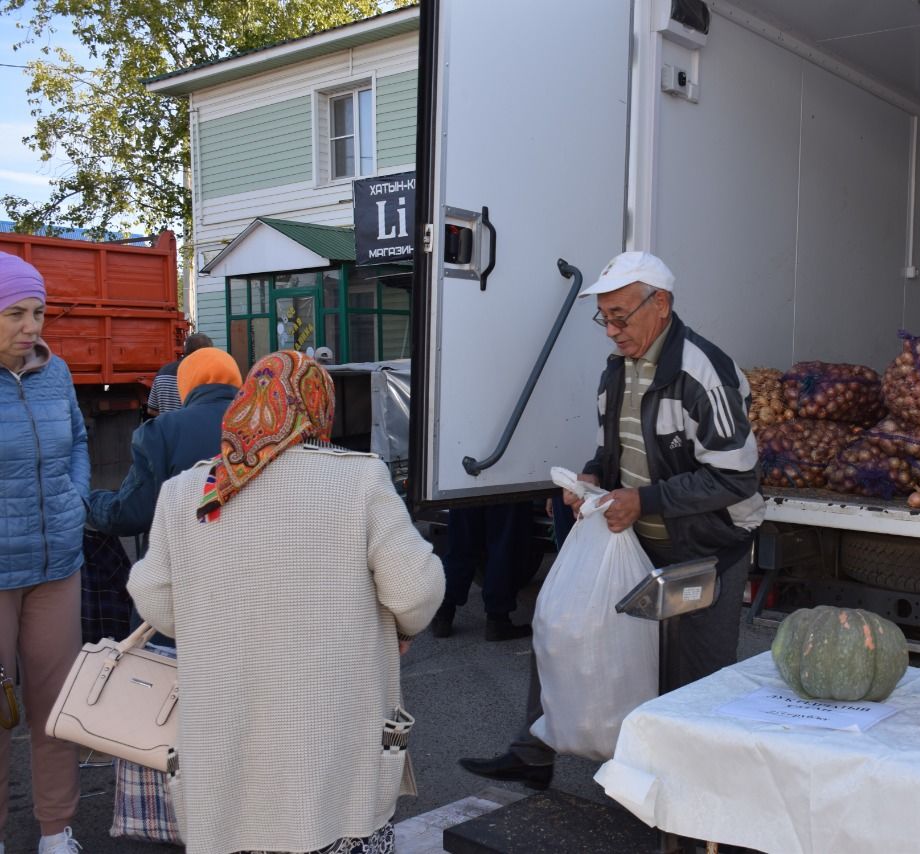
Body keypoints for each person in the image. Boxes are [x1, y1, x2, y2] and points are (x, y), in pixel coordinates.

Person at [459, 250, 764, 789]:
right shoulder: (616, 372)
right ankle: (534, 752)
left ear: (661, 305)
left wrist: (642, 501)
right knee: (563, 627)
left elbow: (737, 479)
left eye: (621, 316)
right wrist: (593, 480)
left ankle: (698, 806)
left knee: (697, 680)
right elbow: (613, 453)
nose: (611, 330)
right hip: (643, 540)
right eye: (604, 317)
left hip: (707, 547)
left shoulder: (703, 372)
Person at [128, 350, 444, 854]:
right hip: (335, 756)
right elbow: (416, 589)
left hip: (224, 763)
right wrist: (399, 630)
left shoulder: (187, 491)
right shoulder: (356, 480)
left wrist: (215, 621)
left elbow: (153, 597)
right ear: (320, 408)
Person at [0, 253, 88, 854]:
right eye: (15, 314)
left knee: (57, 709)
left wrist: (76, 498)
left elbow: (79, 441)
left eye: (37, 313)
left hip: (58, 565)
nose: (32, 327)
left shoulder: (56, 374)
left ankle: (57, 831)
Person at [88, 347, 242, 538]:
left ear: (186, 383)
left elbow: (131, 514)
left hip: (184, 559)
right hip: (250, 555)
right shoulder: (264, 424)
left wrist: (90, 503)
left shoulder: (161, 431)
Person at [430, 502, 536, 641]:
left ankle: (443, 615)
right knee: (504, 543)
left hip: (464, 484)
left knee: (460, 543)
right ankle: (498, 619)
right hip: (505, 486)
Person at [147, 332, 213, 417]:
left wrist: (169, 418)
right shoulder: (205, 374)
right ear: (205, 353)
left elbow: (151, 410)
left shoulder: (163, 371)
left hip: (167, 428)